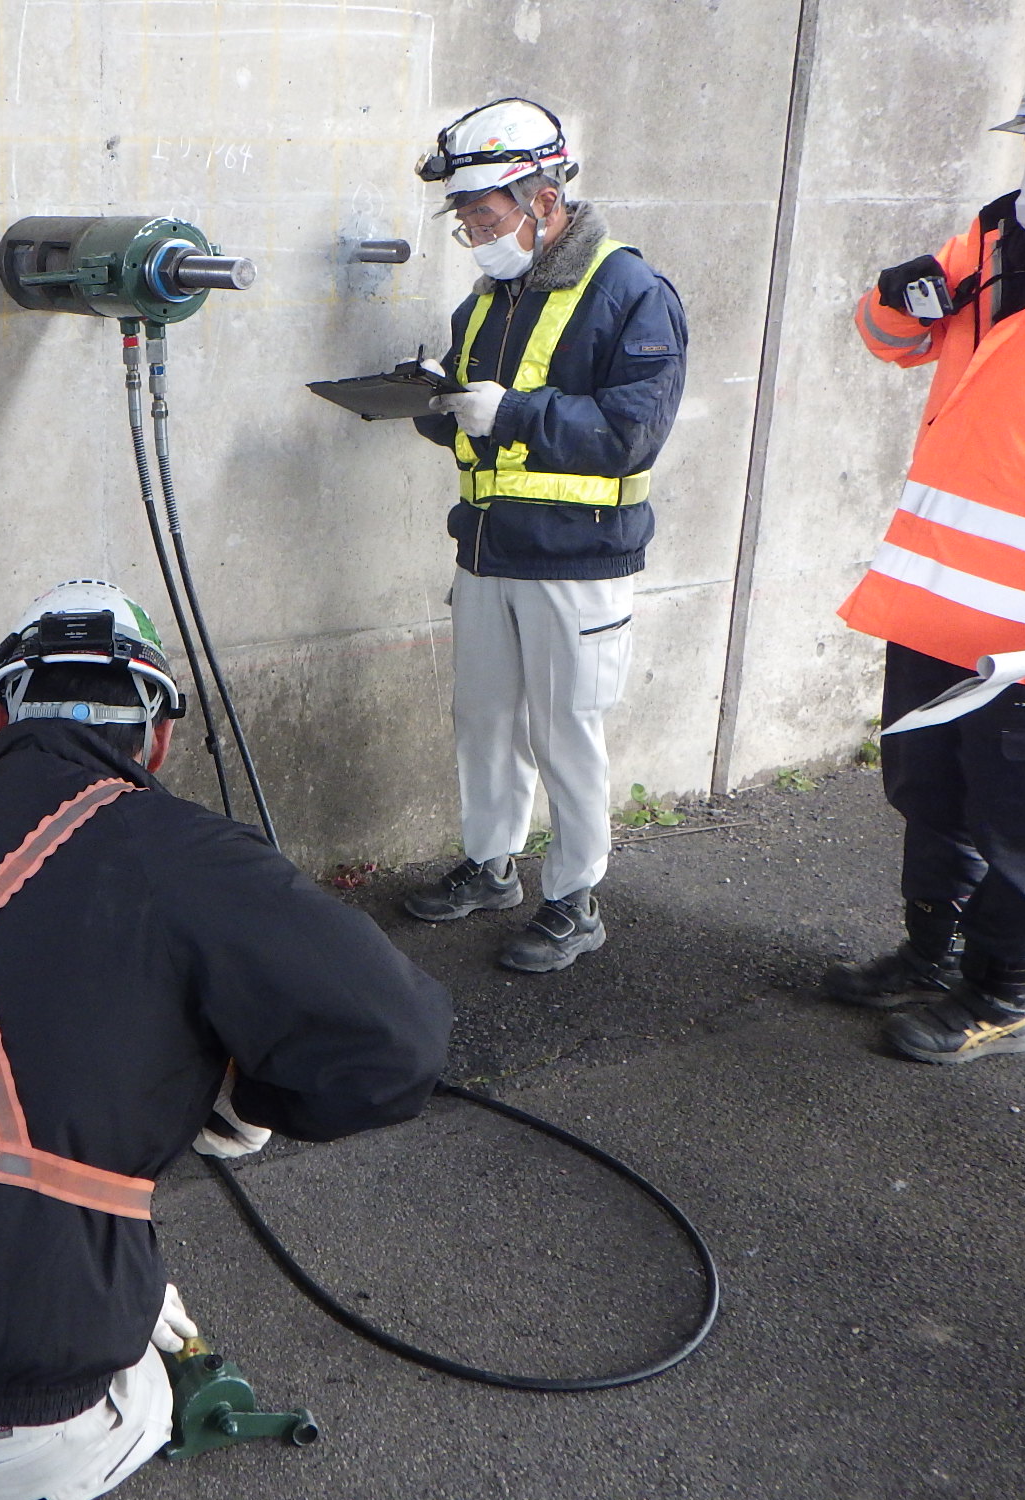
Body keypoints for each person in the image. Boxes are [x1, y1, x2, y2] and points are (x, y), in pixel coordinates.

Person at [0, 579, 452, 1500]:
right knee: (141, 1397)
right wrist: (245, 1095)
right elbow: (401, 1043)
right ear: (156, 737)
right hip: (6, 1412)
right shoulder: (192, 855)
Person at [825, 32, 1025, 1066]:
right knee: (926, 792)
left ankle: (1000, 999)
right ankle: (930, 954)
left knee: (1016, 829)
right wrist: (895, 295)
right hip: (931, 602)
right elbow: (892, 341)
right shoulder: (994, 237)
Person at [401, 98, 688, 973]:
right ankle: (491, 867)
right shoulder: (486, 302)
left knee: (567, 730)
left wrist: (511, 412)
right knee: (485, 721)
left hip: (578, 558)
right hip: (488, 549)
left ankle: (574, 897)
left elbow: (633, 431)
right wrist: (432, 404)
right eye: (465, 219)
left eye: (485, 215)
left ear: (542, 196)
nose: (476, 233)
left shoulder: (632, 292)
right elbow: (468, 424)